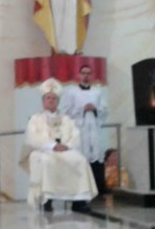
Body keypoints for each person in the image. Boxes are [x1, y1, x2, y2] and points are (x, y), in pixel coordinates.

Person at [21, 78, 98, 213]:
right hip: (44, 151)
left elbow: (76, 135)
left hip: (65, 149)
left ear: (58, 101)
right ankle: (47, 200)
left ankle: (79, 201)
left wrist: (66, 146)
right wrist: (52, 146)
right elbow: (32, 138)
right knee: (46, 161)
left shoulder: (67, 119)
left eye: (54, 98)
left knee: (80, 160)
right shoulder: (35, 119)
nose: (51, 100)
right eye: (48, 98)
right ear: (43, 100)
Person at [60, 64, 109, 193]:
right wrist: (82, 109)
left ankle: (99, 188)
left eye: (88, 73)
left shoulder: (98, 92)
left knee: (97, 156)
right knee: (82, 156)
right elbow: (65, 111)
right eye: (83, 73)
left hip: (94, 128)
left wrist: (95, 109)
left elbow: (105, 110)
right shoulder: (71, 92)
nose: (86, 76)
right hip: (80, 129)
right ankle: (82, 188)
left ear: (92, 75)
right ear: (79, 75)